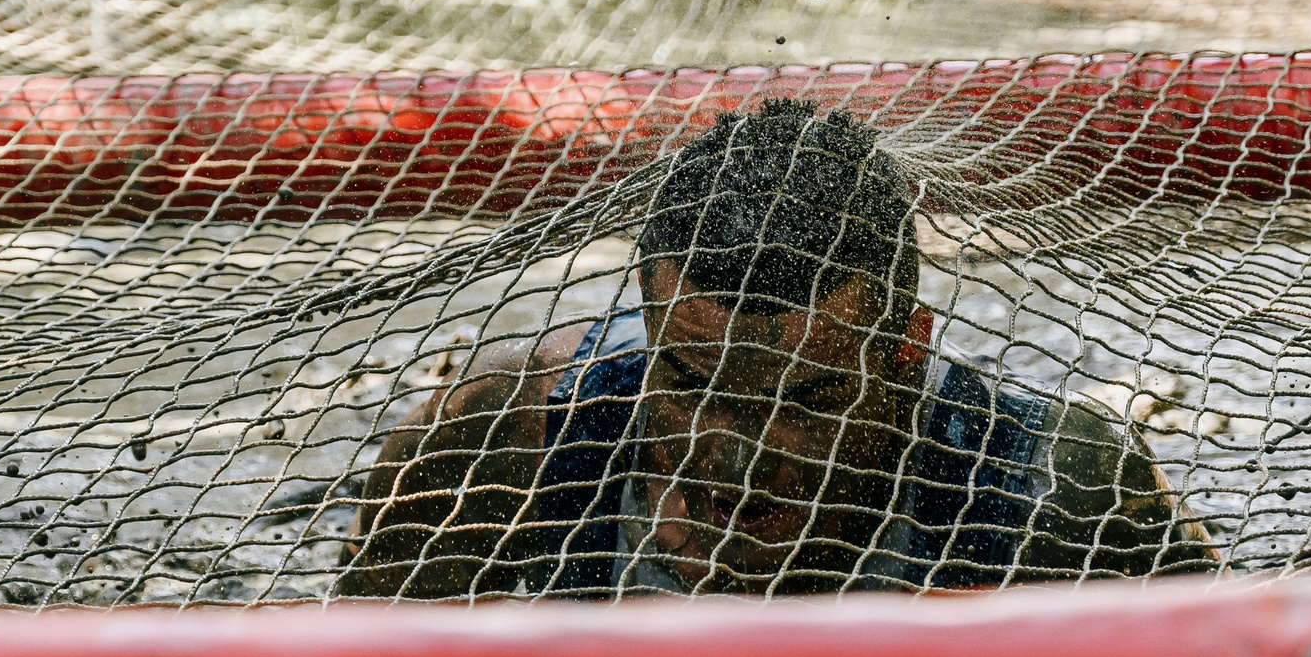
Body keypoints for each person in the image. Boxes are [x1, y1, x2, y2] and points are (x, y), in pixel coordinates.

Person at [339, 99, 1206, 600]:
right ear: (649, 325)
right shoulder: (497, 442)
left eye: (802, 401)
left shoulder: (1057, 491)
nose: (735, 459)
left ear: (907, 350)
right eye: (689, 383)